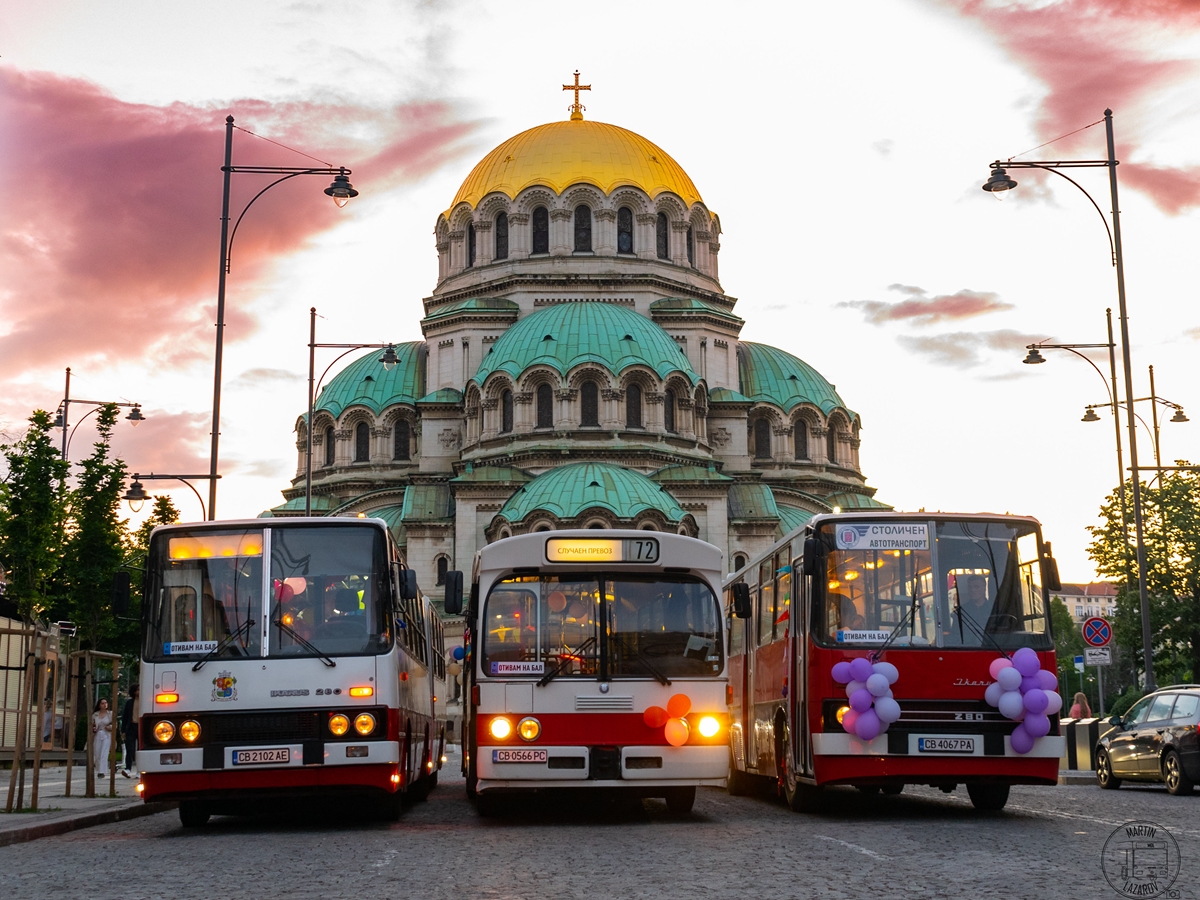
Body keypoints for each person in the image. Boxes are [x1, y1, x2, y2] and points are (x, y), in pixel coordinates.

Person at [120, 685, 140, 777]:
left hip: (141, 727)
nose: (139, 692)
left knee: (140, 750)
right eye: (137, 690)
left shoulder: (145, 702)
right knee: (130, 749)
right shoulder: (129, 703)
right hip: (131, 726)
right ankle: (128, 769)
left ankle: (140, 770)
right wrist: (123, 730)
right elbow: (125, 717)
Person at [91, 698, 113, 776]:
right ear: (99, 705)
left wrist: (110, 727)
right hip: (97, 734)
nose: (104, 705)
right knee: (97, 753)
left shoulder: (110, 714)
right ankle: (98, 768)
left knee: (104, 753)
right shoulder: (95, 715)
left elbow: (115, 724)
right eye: (102, 703)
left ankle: (102, 771)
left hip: (106, 734)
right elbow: (92, 724)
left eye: (106, 703)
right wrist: (93, 728)